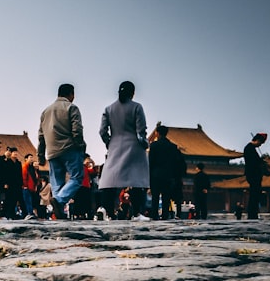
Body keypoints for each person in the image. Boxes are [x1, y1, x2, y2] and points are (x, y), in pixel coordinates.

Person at [98, 81, 150, 221]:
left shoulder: (109, 109)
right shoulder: (137, 107)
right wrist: (145, 144)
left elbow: (102, 131)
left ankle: (107, 211)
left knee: (110, 180)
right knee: (137, 180)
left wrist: (110, 143)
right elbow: (141, 131)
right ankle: (137, 213)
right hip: (134, 146)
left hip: (115, 145)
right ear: (132, 93)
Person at [38, 83, 86, 220]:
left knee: (57, 183)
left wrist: (40, 155)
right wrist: (81, 146)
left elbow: (41, 136)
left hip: (52, 152)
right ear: (71, 94)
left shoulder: (45, 111)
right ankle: (59, 201)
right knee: (77, 177)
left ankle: (58, 212)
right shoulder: (72, 108)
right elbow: (77, 130)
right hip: (69, 149)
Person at [148, 124, 186, 220]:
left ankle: (154, 215)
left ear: (157, 133)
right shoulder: (173, 147)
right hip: (168, 176)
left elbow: (150, 162)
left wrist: (149, 176)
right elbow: (177, 163)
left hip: (155, 175)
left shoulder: (154, 146)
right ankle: (165, 215)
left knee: (155, 197)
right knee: (166, 197)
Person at [244, 132, 269, 219]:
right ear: (257, 140)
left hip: (253, 175)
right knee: (254, 194)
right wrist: (261, 160)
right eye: (260, 143)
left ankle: (253, 213)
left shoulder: (250, 148)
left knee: (255, 194)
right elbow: (253, 163)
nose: (260, 145)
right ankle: (252, 214)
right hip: (253, 175)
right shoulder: (249, 148)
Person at [21, 153, 40, 220]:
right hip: (27, 187)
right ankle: (29, 213)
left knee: (30, 201)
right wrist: (25, 185)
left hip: (31, 187)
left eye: (32, 158)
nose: (31, 159)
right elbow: (24, 177)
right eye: (30, 158)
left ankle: (31, 213)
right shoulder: (25, 167)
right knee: (27, 200)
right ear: (26, 159)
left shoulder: (30, 167)